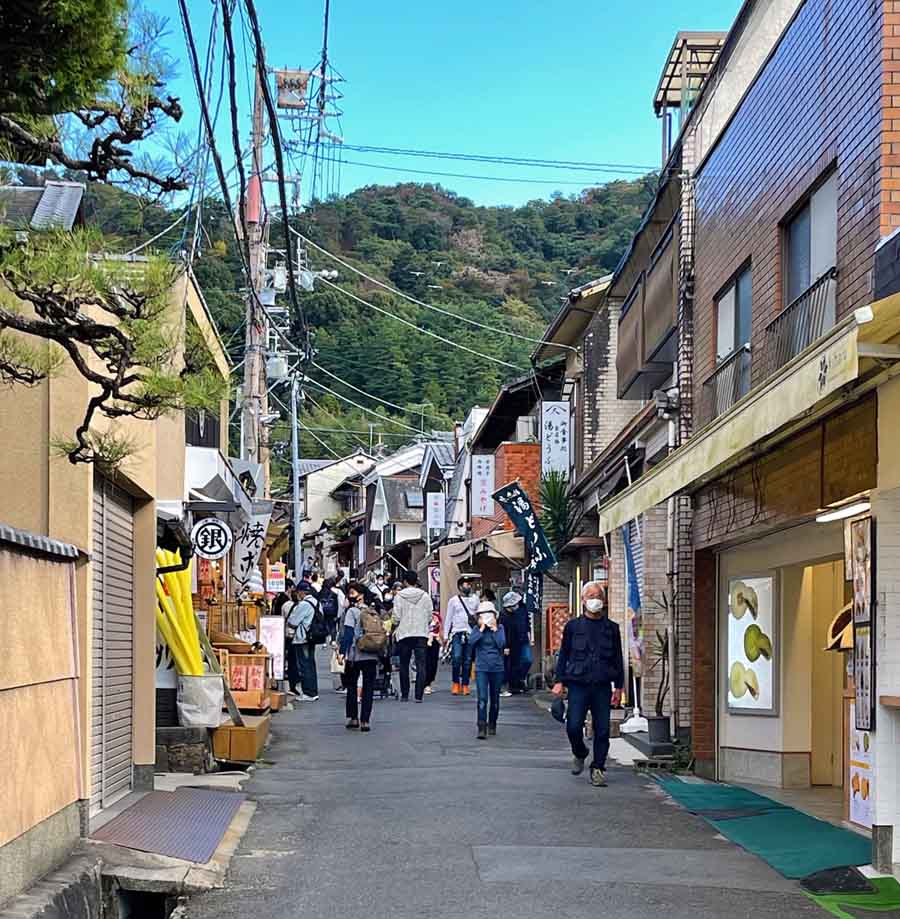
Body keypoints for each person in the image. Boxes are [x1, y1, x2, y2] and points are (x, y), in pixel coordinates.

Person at [552, 581, 624, 787]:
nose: (595, 600)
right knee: (573, 726)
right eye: (590, 596)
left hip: (602, 685)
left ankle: (598, 768)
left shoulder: (612, 628)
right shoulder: (573, 627)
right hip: (578, 685)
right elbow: (564, 654)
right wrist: (559, 681)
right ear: (583, 601)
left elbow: (618, 658)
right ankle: (580, 752)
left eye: (598, 596)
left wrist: (619, 687)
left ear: (605, 600)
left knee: (602, 730)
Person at [339, 601, 383, 731]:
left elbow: (348, 633)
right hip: (372, 653)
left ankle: (353, 718)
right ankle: (365, 721)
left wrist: (342, 652)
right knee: (368, 688)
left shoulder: (351, 611)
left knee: (351, 685)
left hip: (355, 654)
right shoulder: (374, 611)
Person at [391, 568, 432, 702]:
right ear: (416, 581)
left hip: (404, 633)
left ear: (405, 582)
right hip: (421, 633)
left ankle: (404, 694)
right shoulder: (425, 596)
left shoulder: (399, 596)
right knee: (421, 664)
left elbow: (396, 617)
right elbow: (430, 616)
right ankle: (419, 695)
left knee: (404, 664)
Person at [470, 599, 506, 739]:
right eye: (482, 615)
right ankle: (481, 726)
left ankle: (492, 723)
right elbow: (471, 642)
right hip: (481, 668)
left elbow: (501, 644)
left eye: (489, 615)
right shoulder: (476, 630)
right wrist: (481, 629)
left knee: (495, 699)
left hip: (497, 667)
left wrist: (495, 630)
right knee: (482, 698)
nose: (486, 618)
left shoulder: (500, 628)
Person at [444, 575, 479, 696]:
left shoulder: (475, 599)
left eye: (470, 584)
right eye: (466, 584)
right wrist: (445, 635)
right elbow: (448, 618)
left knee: (468, 660)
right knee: (457, 658)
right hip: (457, 632)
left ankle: (465, 685)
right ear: (460, 586)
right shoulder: (453, 600)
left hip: (470, 633)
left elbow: (478, 615)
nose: (468, 586)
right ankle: (455, 683)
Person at [286, 580, 320, 701]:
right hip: (312, 637)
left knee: (305, 665)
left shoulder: (304, 604)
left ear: (301, 592)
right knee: (311, 664)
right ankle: (313, 691)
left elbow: (293, 621)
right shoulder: (316, 602)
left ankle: (308, 692)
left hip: (303, 638)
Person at [502, 591, 533, 695]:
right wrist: (505, 645)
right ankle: (514, 684)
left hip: (523, 638)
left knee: (527, 660)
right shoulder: (504, 615)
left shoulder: (522, 608)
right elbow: (503, 631)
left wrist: (529, 634)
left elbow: (527, 621)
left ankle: (520, 679)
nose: (517, 606)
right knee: (513, 664)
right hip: (511, 642)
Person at [281, 585, 301, 694]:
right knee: (297, 659)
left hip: (287, 634)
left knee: (290, 659)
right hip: (298, 636)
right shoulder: (300, 607)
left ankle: (291, 682)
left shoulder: (285, 605)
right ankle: (297, 681)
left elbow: (282, 619)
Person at [424, 601, 443, 694]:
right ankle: (425, 684)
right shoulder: (421, 615)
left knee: (433, 662)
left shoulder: (437, 616)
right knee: (426, 662)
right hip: (424, 639)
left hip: (435, 639)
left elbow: (440, 628)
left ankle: (429, 683)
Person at [319, 577, 341, 643]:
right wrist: (337, 613)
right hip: (332, 611)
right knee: (333, 625)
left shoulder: (320, 593)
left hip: (323, 611)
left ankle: (325, 640)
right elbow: (336, 604)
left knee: (325, 624)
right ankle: (333, 639)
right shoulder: (334, 593)